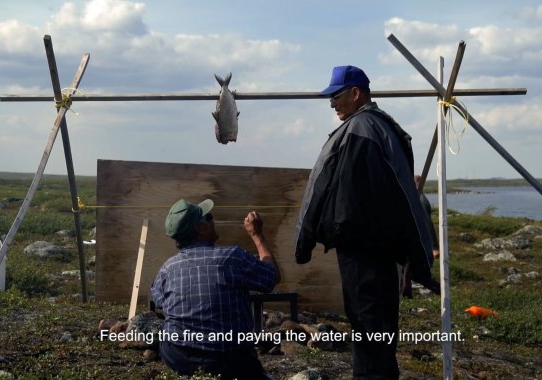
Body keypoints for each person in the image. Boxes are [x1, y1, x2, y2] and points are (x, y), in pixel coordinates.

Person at [294, 65, 439, 379]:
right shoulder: (385, 129)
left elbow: (317, 185)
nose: (332, 103)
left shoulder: (356, 130)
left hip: (359, 252)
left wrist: (302, 242)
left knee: (367, 327)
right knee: (381, 327)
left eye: (336, 96)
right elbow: (407, 198)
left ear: (356, 93)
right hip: (383, 254)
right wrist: (420, 256)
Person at [151, 198, 280, 380]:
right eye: (209, 217)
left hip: (178, 356)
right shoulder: (232, 258)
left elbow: (158, 300)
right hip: (228, 358)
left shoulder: (167, 269)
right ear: (201, 229)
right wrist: (257, 236)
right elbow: (270, 277)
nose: (213, 220)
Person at [400, 175, 441, 298]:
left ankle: (441, 290)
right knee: (409, 271)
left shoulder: (420, 200)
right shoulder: (419, 198)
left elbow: (427, 223)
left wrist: (434, 246)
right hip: (416, 242)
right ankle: (406, 294)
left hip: (419, 243)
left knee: (417, 274)